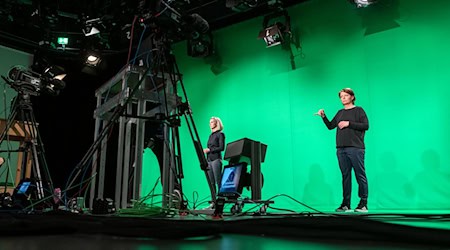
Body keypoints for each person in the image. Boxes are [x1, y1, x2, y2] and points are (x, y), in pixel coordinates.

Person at [315, 88, 369, 212]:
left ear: (352, 97)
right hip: (341, 149)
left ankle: (363, 204)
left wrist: (348, 123)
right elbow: (330, 126)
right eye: (341, 96)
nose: (343, 98)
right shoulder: (340, 113)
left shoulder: (359, 110)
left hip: (355, 148)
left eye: (345, 95)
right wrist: (323, 117)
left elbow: (366, 125)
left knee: (360, 175)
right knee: (345, 176)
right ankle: (346, 204)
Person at [203, 117, 225, 208]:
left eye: (212, 122)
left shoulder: (220, 134)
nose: (210, 124)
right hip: (209, 161)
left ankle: (220, 202)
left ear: (216, 123)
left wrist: (209, 150)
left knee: (218, 181)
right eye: (209, 122)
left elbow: (221, 148)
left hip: (216, 160)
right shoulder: (210, 135)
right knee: (211, 183)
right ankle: (213, 202)